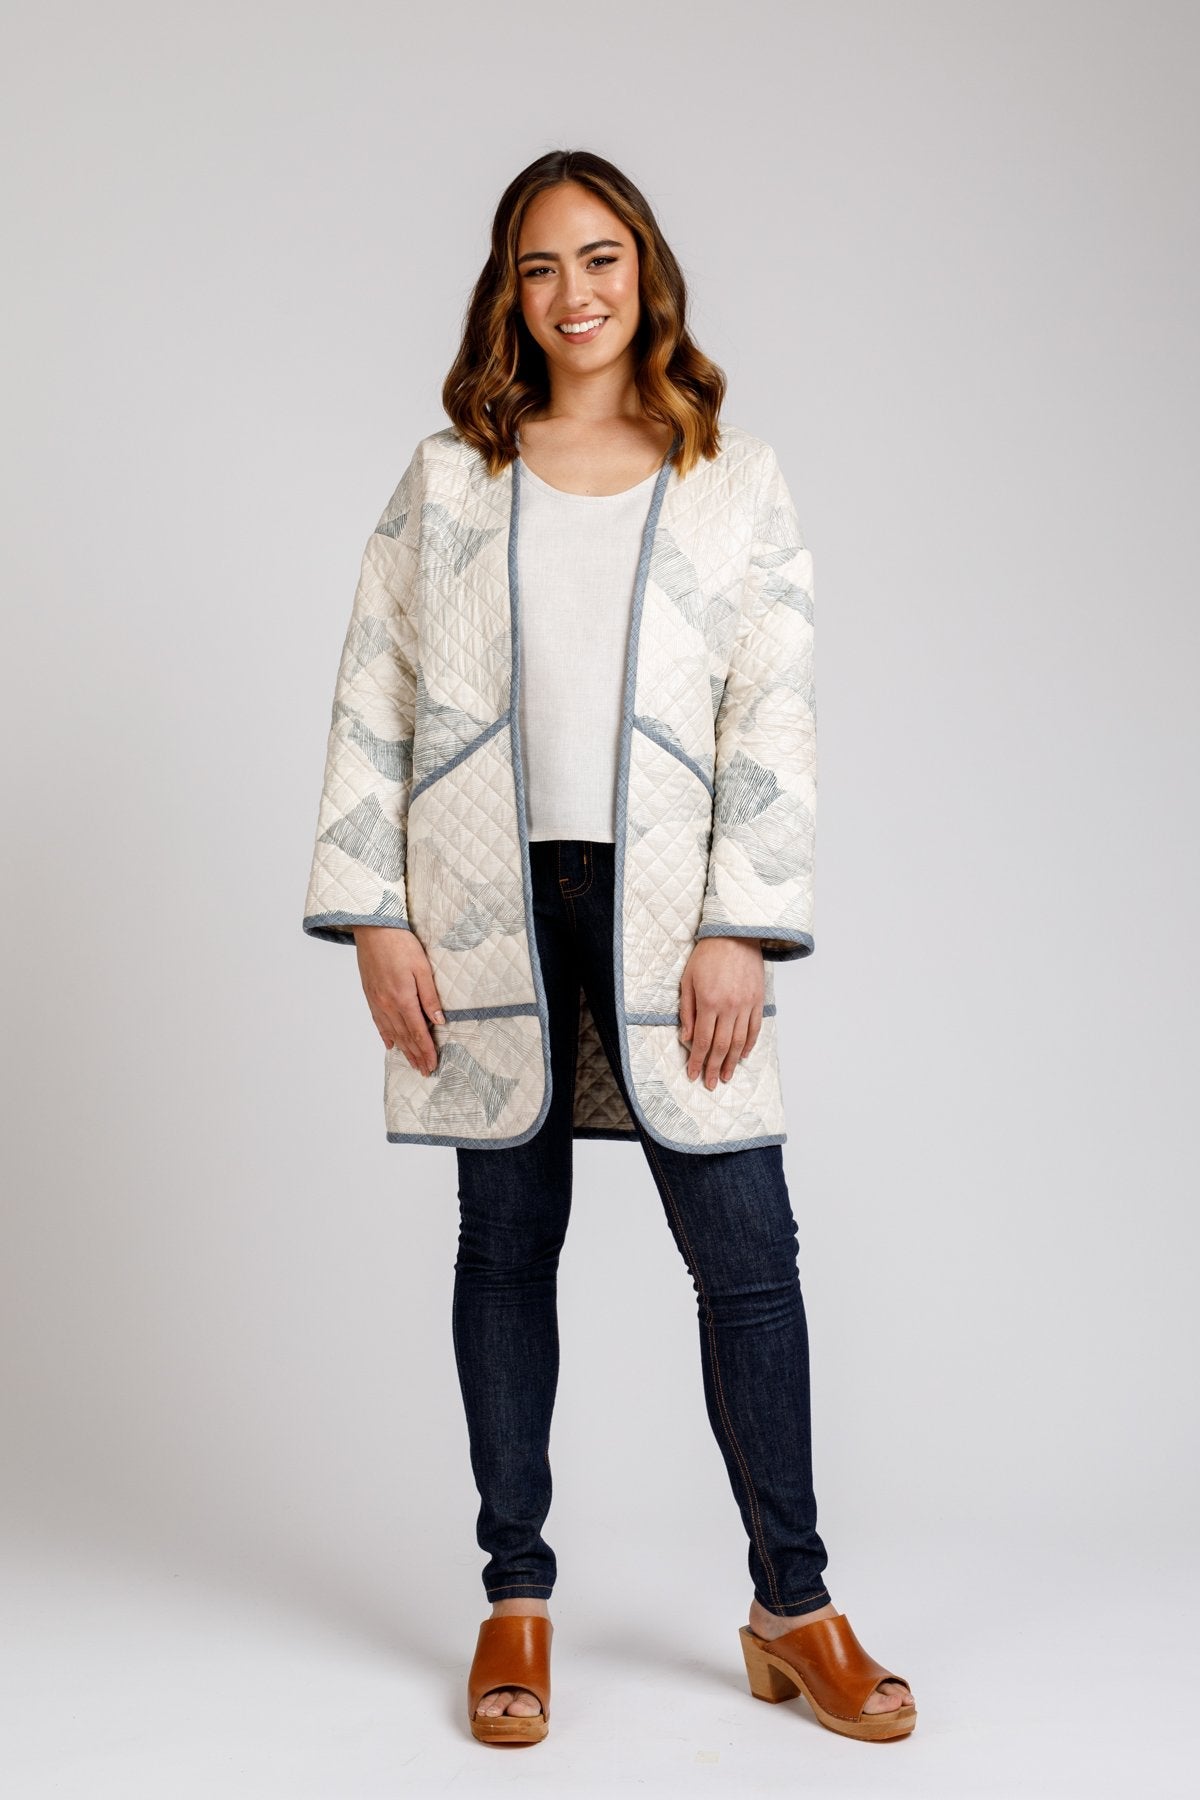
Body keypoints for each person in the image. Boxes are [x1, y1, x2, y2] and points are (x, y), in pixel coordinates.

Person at [302, 149, 916, 1747]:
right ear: (507, 293)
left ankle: (795, 1607)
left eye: (599, 259)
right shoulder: (449, 478)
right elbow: (374, 690)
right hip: (482, 904)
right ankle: (515, 1597)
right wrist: (376, 911)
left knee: (749, 1256)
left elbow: (770, 709)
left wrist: (737, 923)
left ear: (646, 271)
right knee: (505, 1249)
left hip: (667, 911)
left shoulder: (731, 477)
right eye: (539, 266)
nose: (573, 294)